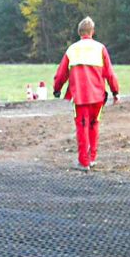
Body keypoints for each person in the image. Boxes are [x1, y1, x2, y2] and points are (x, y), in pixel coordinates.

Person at [52, 17, 119, 171]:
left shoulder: (72, 49)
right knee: (94, 125)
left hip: (81, 96)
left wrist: (57, 88)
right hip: (98, 96)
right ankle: (92, 157)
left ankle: (83, 162)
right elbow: (109, 73)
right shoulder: (100, 48)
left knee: (82, 127)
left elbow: (62, 73)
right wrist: (115, 92)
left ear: (79, 32)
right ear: (92, 32)